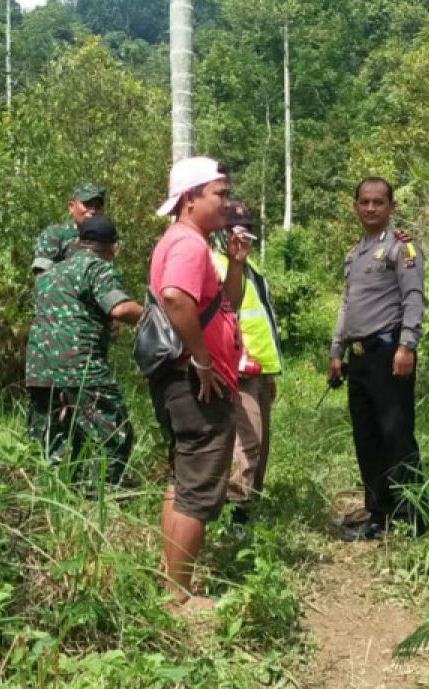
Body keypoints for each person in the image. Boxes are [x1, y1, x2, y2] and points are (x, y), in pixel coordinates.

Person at [147, 156, 250, 610]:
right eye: (219, 194)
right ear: (190, 199)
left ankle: (172, 582)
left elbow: (223, 305)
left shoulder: (188, 242)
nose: (227, 203)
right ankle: (177, 596)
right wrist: (205, 362)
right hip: (196, 384)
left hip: (185, 381)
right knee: (197, 486)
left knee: (183, 480)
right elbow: (175, 299)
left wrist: (235, 264)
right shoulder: (188, 246)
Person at [328, 177, 426, 541]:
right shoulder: (354, 254)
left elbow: (414, 297)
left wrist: (407, 346)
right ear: (355, 205)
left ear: (391, 207)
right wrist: (336, 351)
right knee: (366, 439)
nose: (371, 208)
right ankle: (378, 515)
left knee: (396, 436)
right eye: (364, 202)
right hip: (359, 359)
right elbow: (347, 304)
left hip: (389, 355)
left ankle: (411, 518)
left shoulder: (403, 249)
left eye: (378, 202)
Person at [25, 214, 143, 490]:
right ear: (114, 247)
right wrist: (159, 315)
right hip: (80, 367)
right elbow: (121, 308)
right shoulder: (96, 267)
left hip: (39, 369)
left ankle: (51, 502)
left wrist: (102, 325)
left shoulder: (50, 274)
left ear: (78, 241)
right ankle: (97, 498)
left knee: (54, 440)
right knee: (116, 436)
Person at [212, 201, 284, 532]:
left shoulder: (250, 266)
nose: (242, 235)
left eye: (247, 229)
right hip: (236, 369)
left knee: (261, 443)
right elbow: (224, 310)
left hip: (258, 369)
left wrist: (269, 371)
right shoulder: (217, 264)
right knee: (246, 442)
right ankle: (234, 515)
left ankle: (248, 509)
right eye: (234, 228)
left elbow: (260, 322)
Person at [31, 182, 107, 275]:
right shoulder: (54, 234)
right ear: (71, 207)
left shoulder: (104, 238)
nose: (92, 211)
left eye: (97, 207)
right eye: (87, 204)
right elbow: (42, 279)